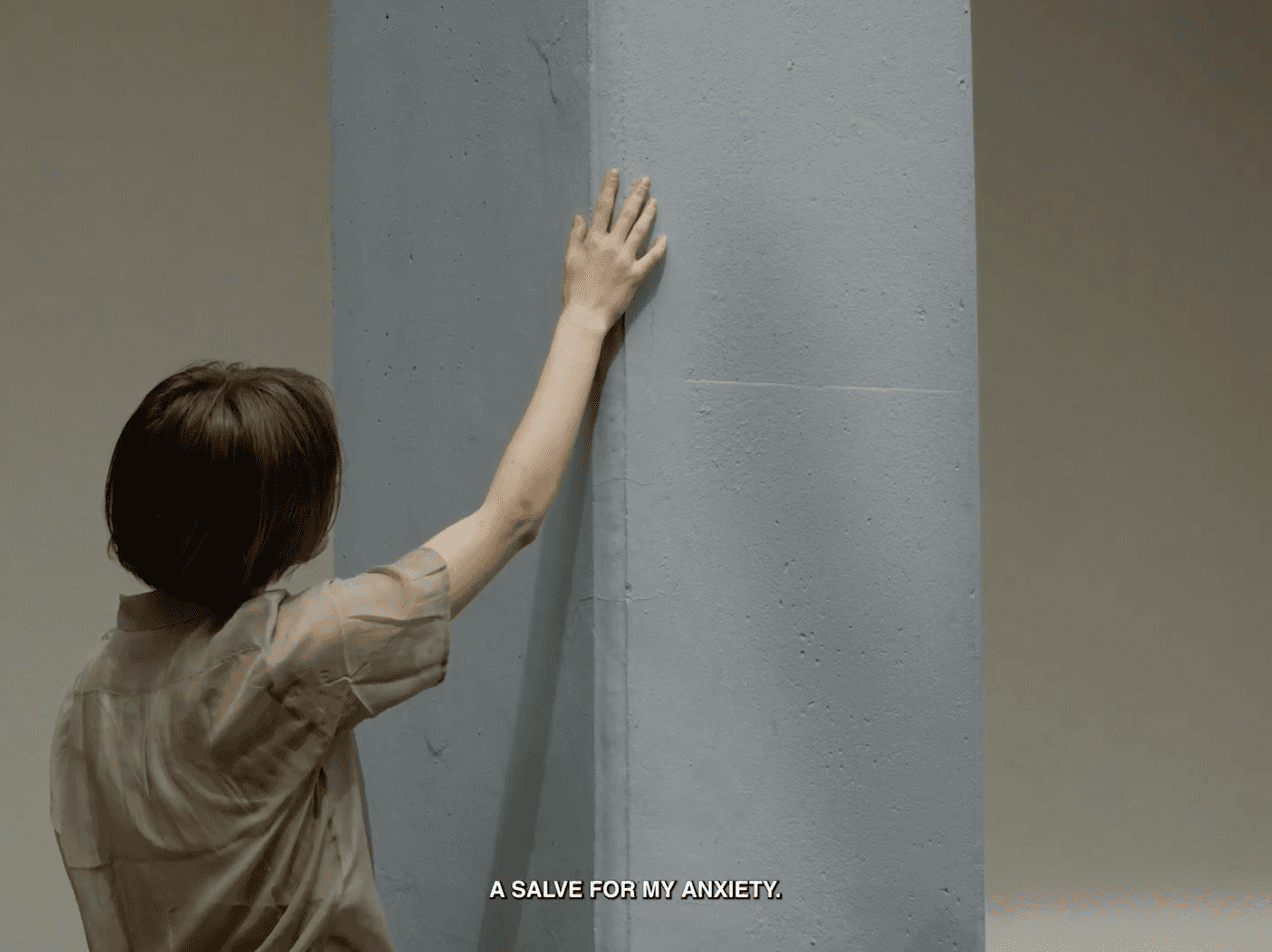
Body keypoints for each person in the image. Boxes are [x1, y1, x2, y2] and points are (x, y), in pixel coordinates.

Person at [49, 170, 666, 952]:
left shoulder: (88, 700)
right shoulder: (293, 654)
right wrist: (585, 314)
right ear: (290, 525)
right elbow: (510, 518)